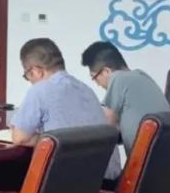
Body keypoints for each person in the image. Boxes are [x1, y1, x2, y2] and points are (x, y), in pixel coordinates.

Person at [11, 38, 122, 181]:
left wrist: (49, 139)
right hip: (107, 181)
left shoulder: (40, 90)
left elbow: (19, 137)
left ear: (36, 71)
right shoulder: (85, 89)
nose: (30, 82)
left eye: (27, 76)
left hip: (72, 185)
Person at [81, 41, 170, 157]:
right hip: (168, 158)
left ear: (106, 71)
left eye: (95, 78)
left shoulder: (118, 78)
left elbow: (106, 125)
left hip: (145, 163)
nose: (97, 84)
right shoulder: (141, 75)